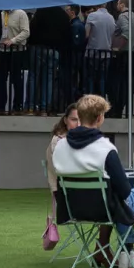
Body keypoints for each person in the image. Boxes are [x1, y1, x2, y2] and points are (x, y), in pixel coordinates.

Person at [51, 93, 134, 268]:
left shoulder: (60, 146)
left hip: (72, 210)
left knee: (116, 197)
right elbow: (125, 191)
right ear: (100, 118)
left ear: (79, 116)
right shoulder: (105, 148)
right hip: (104, 210)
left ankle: (125, 252)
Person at [44, 102, 81, 246]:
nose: (78, 124)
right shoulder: (59, 142)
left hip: (81, 195)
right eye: (74, 119)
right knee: (115, 207)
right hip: (67, 200)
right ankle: (104, 247)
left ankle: (103, 247)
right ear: (65, 120)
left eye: (82, 120)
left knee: (116, 204)